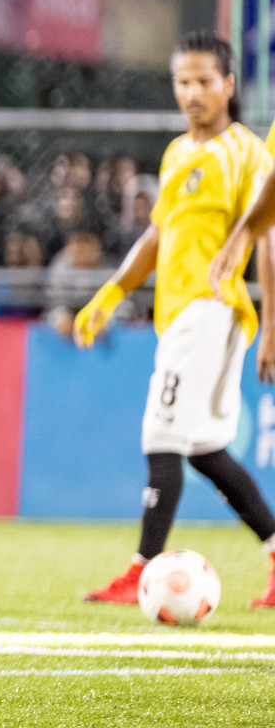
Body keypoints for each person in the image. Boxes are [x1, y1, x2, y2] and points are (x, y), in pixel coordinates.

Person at [75, 32, 275, 609]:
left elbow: (266, 237)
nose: (191, 93)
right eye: (182, 82)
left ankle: (140, 570)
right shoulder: (176, 153)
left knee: (160, 434)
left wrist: (271, 327)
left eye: (203, 81)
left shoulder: (247, 152)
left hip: (211, 312)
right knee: (207, 448)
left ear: (229, 85)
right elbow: (159, 236)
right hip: (181, 314)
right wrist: (110, 292)